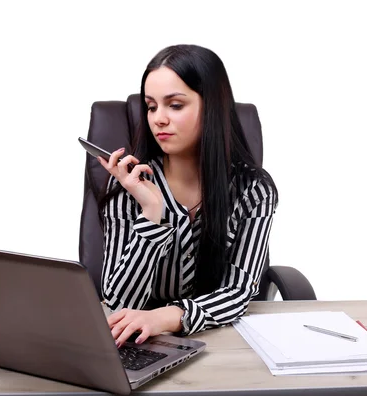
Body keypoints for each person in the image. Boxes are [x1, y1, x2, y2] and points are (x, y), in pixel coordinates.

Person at [96, 44, 278, 348]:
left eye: (175, 105)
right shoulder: (129, 187)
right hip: (137, 343)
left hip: (221, 339)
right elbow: (118, 302)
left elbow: (239, 291)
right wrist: (151, 211)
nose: (158, 119)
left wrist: (169, 317)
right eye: (152, 106)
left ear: (212, 107)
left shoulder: (252, 190)